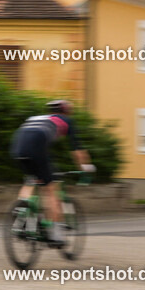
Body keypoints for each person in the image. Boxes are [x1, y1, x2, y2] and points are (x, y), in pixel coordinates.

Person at [9, 100, 95, 244]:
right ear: (66, 112)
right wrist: (85, 167)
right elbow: (77, 149)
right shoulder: (66, 121)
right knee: (50, 189)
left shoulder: (38, 118)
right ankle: (55, 233)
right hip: (36, 145)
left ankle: (21, 212)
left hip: (18, 146)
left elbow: (39, 143)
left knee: (30, 179)